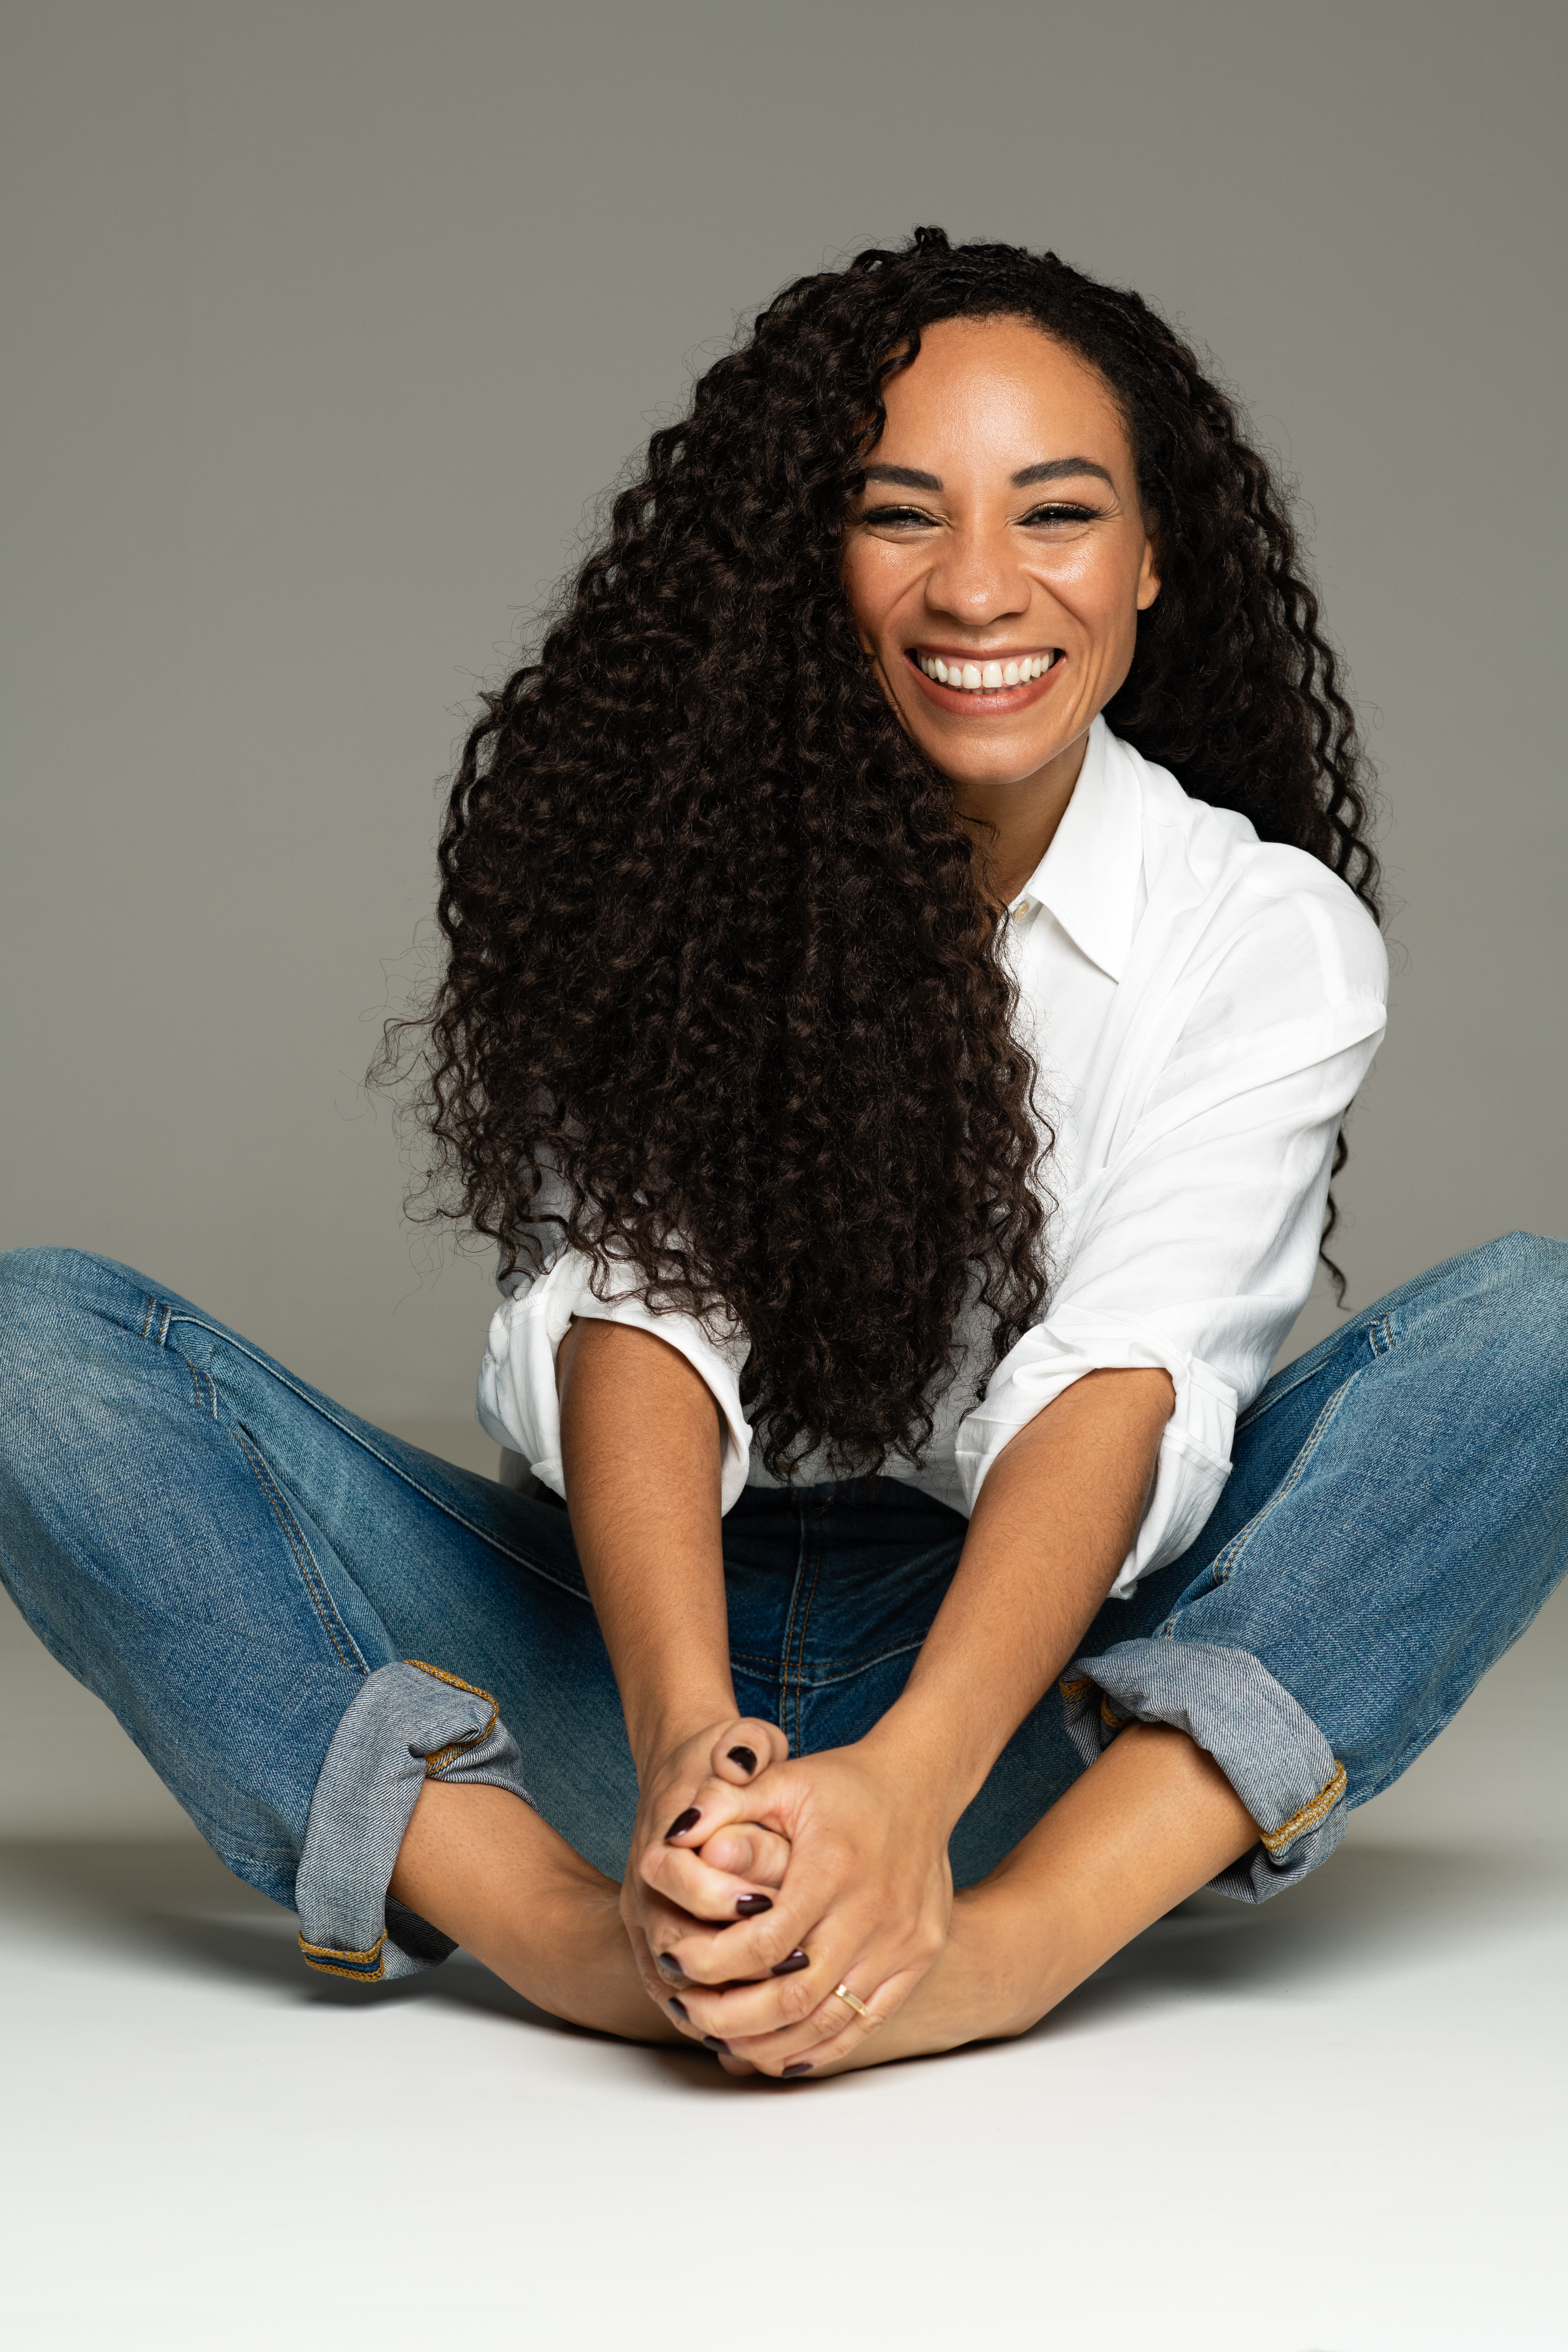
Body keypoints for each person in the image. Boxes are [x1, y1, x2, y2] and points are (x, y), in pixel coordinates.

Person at [2, 229, 1563, 2081]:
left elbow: (1125, 1374)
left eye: (1054, 514)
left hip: (1042, 1710)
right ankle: (577, 1933)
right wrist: (685, 1740)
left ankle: (1004, 1947)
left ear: (1153, 558)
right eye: (902, 514)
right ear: (811, 559)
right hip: (623, 1648)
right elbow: (635, 1313)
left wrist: (909, 1785)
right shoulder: (681, 878)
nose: (980, 585)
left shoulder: (1266, 931)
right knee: (43, 1349)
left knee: (1541, 1324)